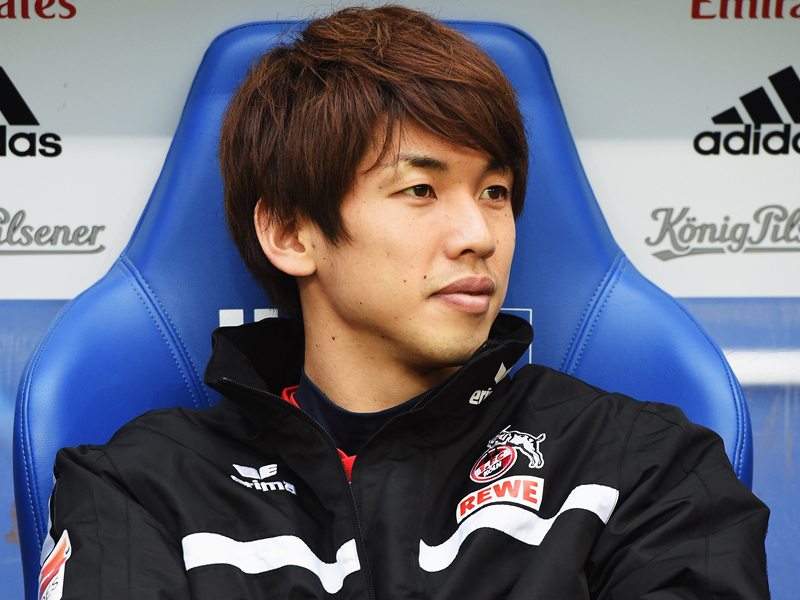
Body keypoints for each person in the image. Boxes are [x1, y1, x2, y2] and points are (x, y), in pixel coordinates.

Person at [39, 6, 769, 600]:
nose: (479, 235)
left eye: (496, 192)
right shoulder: (137, 488)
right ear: (291, 233)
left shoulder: (647, 466)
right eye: (420, 190)